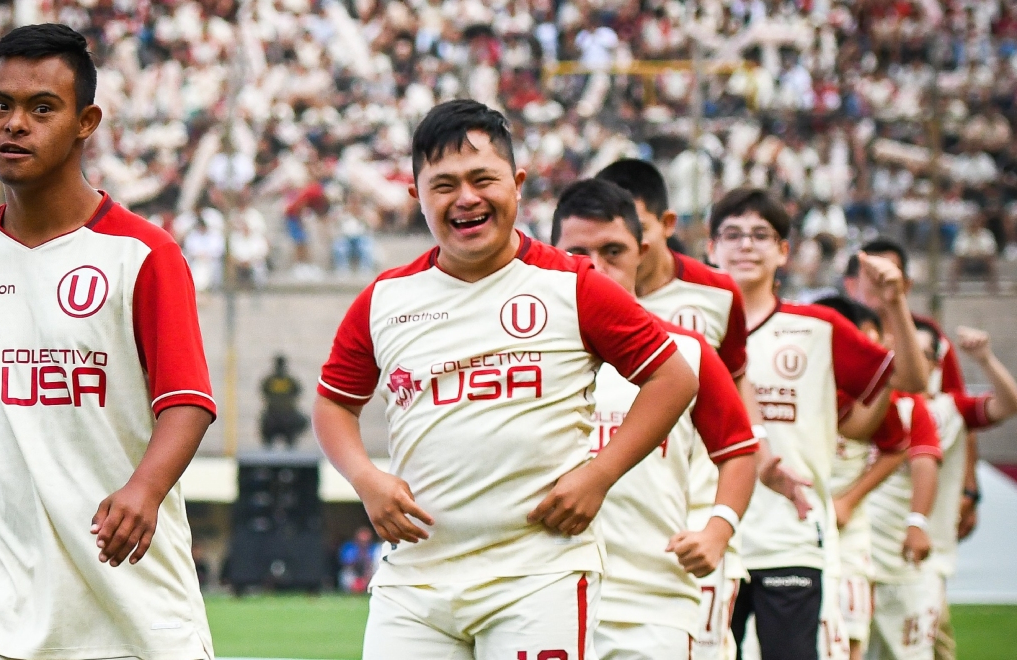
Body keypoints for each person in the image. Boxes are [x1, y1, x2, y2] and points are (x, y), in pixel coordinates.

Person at [313, 100, 698, 660]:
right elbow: (332, 406)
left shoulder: (574, 284)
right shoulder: (384, 299)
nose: (465, 198)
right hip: (414, 583)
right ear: (417, 196)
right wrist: (366, 479)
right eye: (443, 185)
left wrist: (599, 475)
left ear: (516, 184)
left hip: (538, 576)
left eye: (482, 179)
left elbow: (673, 377)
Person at [0, 25, 216, 659]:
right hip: (2, 602)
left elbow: (189, 401)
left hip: (133, 592)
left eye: (41, 108)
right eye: (0, 105)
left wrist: (142, 491)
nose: (15, 124)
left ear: (86, 121)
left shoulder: (144, 253)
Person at [596, 159, 811, 660]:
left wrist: (761, 454)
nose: (606, 256)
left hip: (693, 523)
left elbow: (734, 381)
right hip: (605, 525)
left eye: (630, 234)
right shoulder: (572, 294)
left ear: (661, 229)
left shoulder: (715, 293)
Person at [706, 187, 928, 660]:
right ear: (711, 248)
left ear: (783, 252)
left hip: (790, 534)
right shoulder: (686, 326)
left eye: (761, 235)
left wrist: (894, 304)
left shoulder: (820, 327)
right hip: (706, 535)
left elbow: (912, 379)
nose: (746, 245)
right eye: (733, 234)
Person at [551, 177, 759, 660]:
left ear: (642, 253)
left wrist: (718, 529)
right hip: (544, 593)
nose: (597, 267)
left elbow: (739, 450)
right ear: (553, 254)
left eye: (614, 251)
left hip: (652, 603)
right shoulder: (523, 353)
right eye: (579, 252)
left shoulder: (684, 350)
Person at [871, 321, 1017, 660]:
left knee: (925, 648)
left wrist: (984, 359)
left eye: (923, 354)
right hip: (867, 552)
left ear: (937, 363)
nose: (913, 361)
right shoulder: (873, 405)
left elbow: (1008, 405)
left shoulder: (950, 410)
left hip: (924, 555)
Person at [815, 296, 942, 660]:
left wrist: (848, 501)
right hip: (787, 529)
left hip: (852, 532)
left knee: (852, 637)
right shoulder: (796, 381)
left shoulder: (887, 398)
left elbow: (904, 450)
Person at [260, 354, 307, 451]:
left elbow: (297, 392)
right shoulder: (269, 380)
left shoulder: (290, 381)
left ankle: (292, 454)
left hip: (288, 415)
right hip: (272, 414)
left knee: (291, 437)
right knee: (267, 435)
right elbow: (264, 392)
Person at [339, 527, 380, 593]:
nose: (364, 542)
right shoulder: (349, 547)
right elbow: (348, 564)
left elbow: (375, 564)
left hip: (369, 573)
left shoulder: (375, 548)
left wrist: (366, 577)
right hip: (354, 573)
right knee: (346, 574)